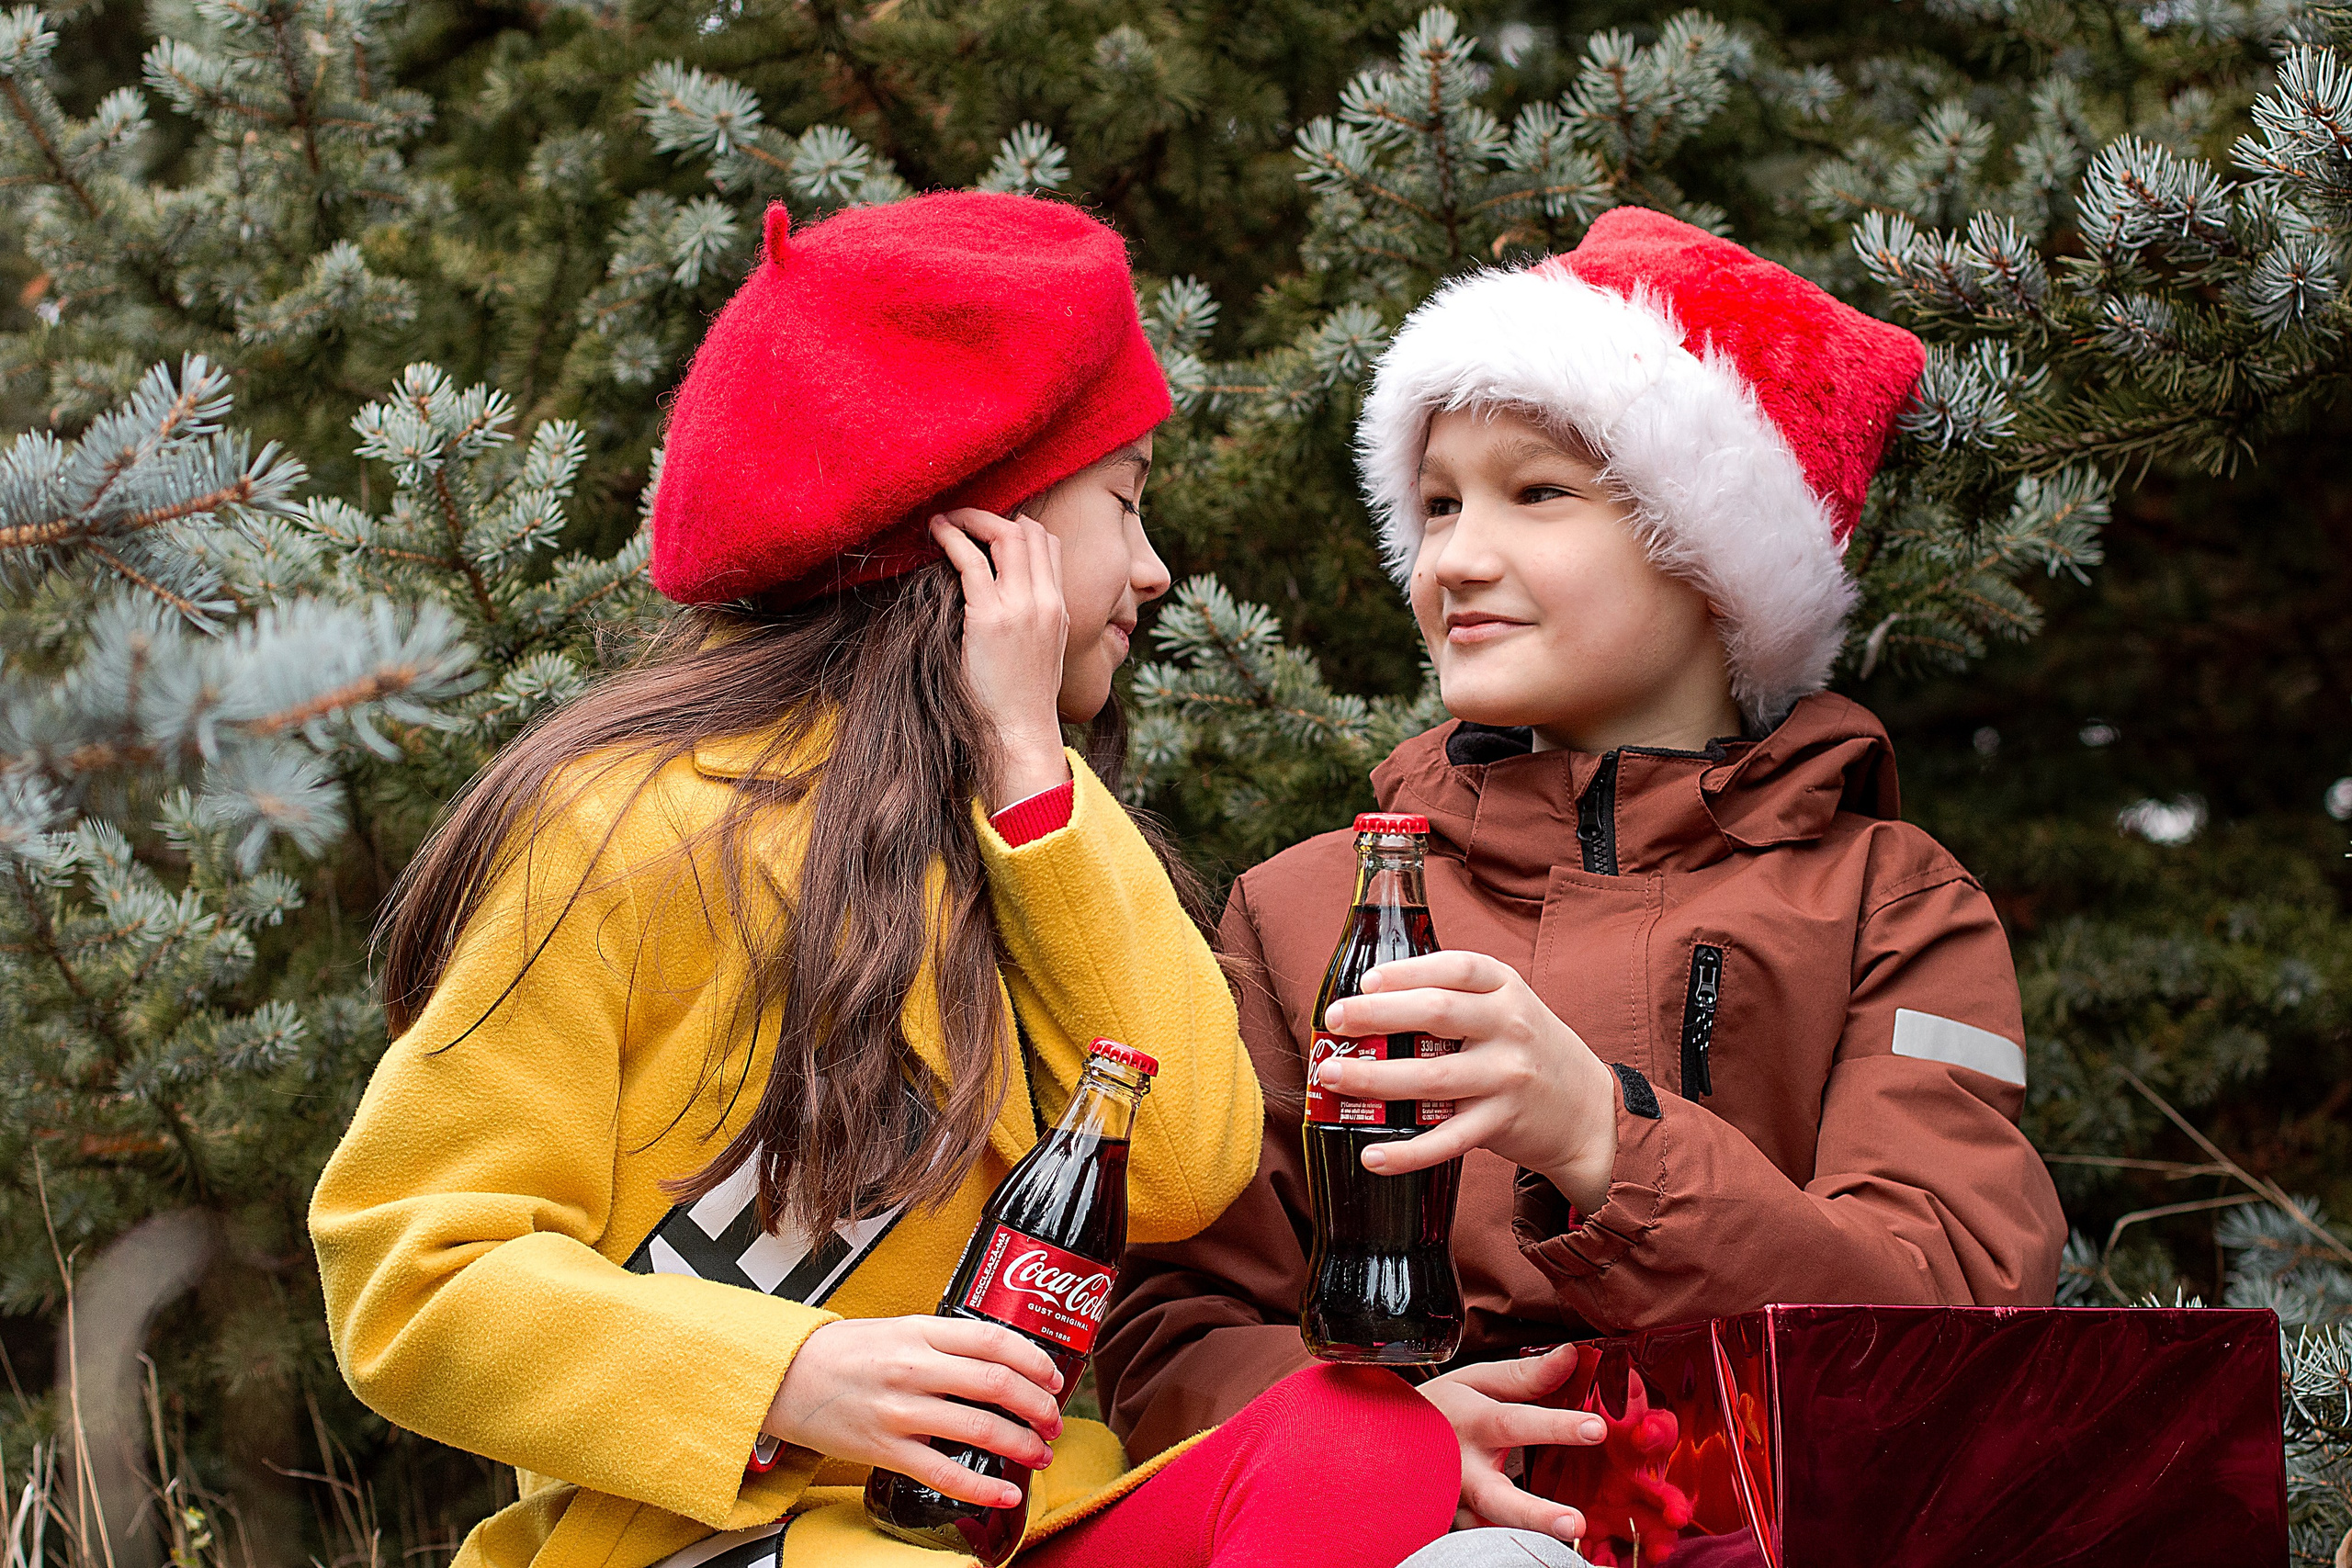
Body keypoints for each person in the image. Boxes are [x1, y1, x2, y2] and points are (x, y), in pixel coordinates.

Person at [309, 192, 1461, 1568]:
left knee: (1373, 1444)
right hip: (721, 1542)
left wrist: (1031, 764)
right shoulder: (629, 827)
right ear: (986, 540)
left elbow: (1179, 1165)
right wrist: (787, 1376)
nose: (1152, 570)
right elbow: (411, 1271)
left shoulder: (1045, 824)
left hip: (1009, 1530)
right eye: (1125, 503)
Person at [1095, 207, 2069, 1561]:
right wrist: (1392, 1438)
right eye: (1436, 504)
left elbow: (1945, 1333)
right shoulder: (1305, 908)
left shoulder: (1894, 903)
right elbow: (1175, 1331)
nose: (1454, 560)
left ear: (1714, 557)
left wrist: (1600, 1135)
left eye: (1536, 493)